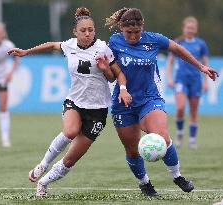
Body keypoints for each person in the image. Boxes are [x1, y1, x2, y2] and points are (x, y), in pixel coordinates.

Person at [8, 7, 132, 197]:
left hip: (98, 110)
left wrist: (110, 74)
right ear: (75, 32)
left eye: (91, 30)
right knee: (70, 131)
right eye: (83, 30)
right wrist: (26, 52)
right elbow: (51, 45)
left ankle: (43, 183)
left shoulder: (103, 48)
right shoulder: (69, 46)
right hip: (74, 102)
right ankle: (43, 163)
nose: (88, 33)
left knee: (70, 160)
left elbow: (116, 76)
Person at [105, 8, 218, 196]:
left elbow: (179, 49)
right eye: (128, 32)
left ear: (142, 27)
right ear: (121, 28)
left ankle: (177, 176)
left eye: (137, 32)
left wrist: (201, 66)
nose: (133, 36)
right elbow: (111, 73)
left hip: (150, 98)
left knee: (162, 137)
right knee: (132, 150)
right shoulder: (114, 42)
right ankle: (145, 184)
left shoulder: (154, 39)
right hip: (123, 103)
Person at [166, 16, 209, 149]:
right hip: (181, 79)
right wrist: (169, 78)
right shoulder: (178, 42)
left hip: (195, 80)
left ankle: (192, 140)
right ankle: (179, 134)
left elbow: (205, 62)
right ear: (184, 28)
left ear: (195, 30)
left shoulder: (201, 44)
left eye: (192, 28)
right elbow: (170, 62)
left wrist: (206, 81)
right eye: (188, 28)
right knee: (180, 108)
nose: (190, 30)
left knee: (194, 111)